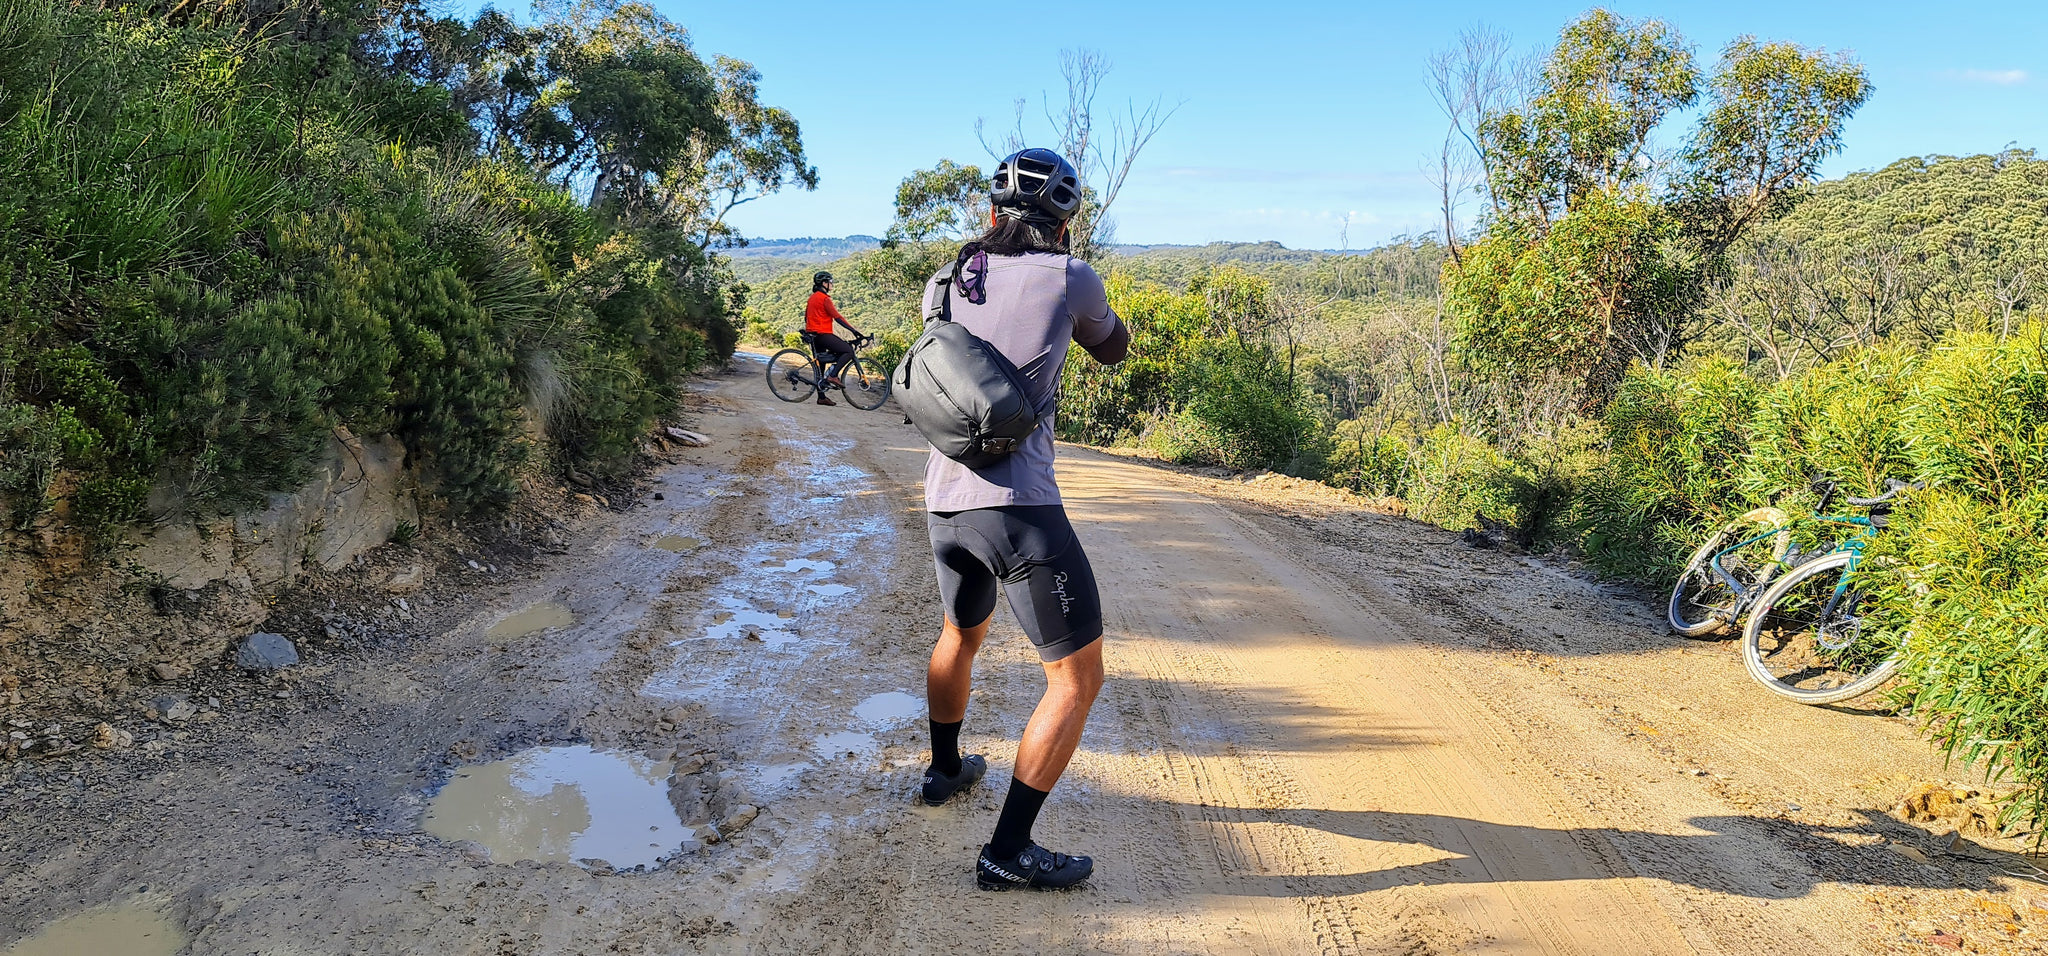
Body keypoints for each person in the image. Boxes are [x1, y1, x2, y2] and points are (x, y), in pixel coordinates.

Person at [914, 148, 1130, 891]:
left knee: (959, 637)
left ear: (990, 215)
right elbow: (1113, 349)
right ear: (1065, 222)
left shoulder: (944, 280)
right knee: (1076, 680)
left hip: (945, 502)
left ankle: (945, 770)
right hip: (1020, 510)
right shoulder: (1071, 277)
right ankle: (1008, 850)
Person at [804, 271, 863, 406]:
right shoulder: (825, 299)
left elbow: (806, 316)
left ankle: (821, 397)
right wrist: (854, 331)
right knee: (848, 351)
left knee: (822, 364)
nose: (832, 284)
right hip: (822, 334)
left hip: (813, 335)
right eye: (830, 282)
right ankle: (833, 375)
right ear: (824, 283)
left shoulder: (812, 298)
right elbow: (838, 318)